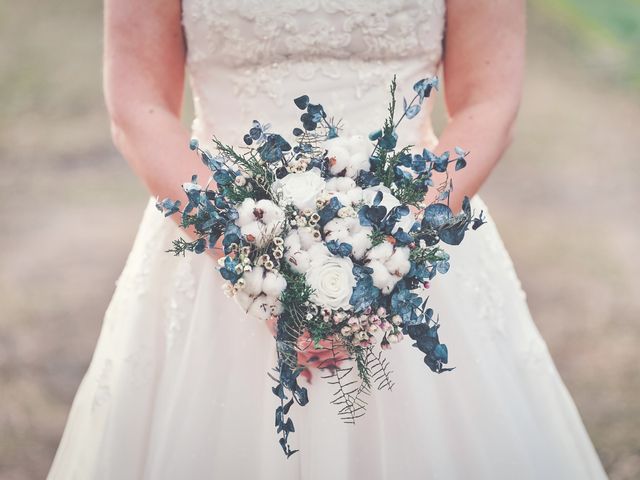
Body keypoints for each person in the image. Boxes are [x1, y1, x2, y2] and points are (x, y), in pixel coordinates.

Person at [47, 0, 608, 478]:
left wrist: (391, 247)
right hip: (217, 242)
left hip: (409, 237)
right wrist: (250, 258)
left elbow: (489, 101)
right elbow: (138, 105)